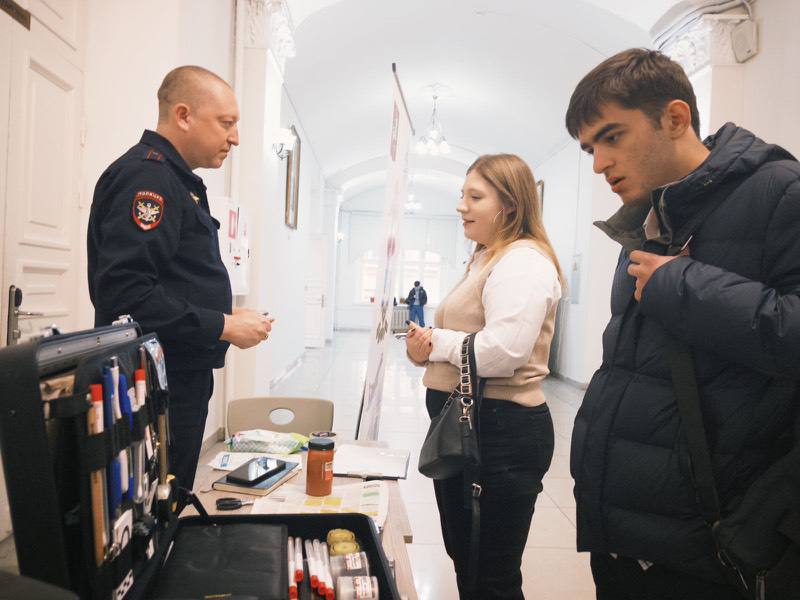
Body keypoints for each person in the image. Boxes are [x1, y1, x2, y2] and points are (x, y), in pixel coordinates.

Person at [565, 48, 800, 599]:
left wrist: (683, 287)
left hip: (717, 548)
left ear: (675, 118)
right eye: (589, 147)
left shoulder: (782, 191)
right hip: (626, 535)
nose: (599, 163)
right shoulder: (647, 220)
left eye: (612, 137)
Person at [87, 66, 272, 492]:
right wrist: (223, 324)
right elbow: (126, 295)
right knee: (155, 501)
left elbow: (172, 280)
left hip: (175, 373)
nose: (236, 138)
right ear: (184, 115)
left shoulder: (174, 179)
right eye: (226, 123)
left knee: (171, 492)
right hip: (152, 382)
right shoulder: (148, 178)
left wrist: (225, 313)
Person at [406, 154, 564, 599]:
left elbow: (503, 352)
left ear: (510, 207)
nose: (462, 206)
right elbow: (471, 339)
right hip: (469, 428)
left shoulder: (523, 262)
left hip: (500, 433)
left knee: (490, 572)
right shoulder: (484, 258)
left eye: (475, 196)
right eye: (462, 194)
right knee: (468, 559)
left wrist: (435, 342)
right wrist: (426, 351)